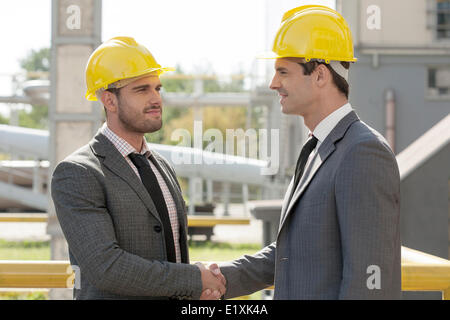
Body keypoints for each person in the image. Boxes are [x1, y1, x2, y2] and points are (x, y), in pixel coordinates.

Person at [209, 5, 401, 299]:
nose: (273, 83)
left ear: (320, 75)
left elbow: (370, 278)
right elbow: (292, 255)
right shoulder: (317, 149)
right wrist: (217, 279)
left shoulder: (363, 152)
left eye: (283, 72)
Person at [51, 37, 225, 300]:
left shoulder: (162, 167)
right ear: (109, 100)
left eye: (157, 88)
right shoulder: (78, 172)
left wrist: (192, 292)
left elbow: (171, 255)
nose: (156, 98)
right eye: (142, 90)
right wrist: (193, 279)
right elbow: (106, 267)